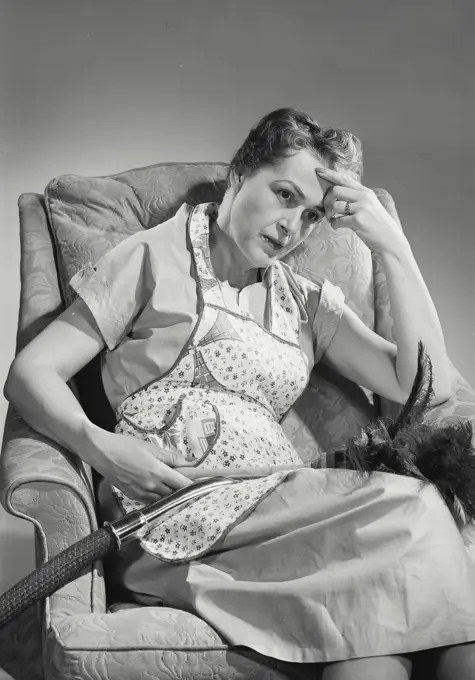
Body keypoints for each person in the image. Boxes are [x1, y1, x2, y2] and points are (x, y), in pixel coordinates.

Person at [4, 108, 475, 680]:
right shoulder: (154, 256)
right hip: (176, 515)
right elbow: (31, 372)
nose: (292, 226)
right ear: (239, 175)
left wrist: (394, 247)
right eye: (283, 194)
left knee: (375, 642)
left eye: (311, 216)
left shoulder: (306, 303)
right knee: (421, 508)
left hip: (284, 514)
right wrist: (102, 449)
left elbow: (425, 384)